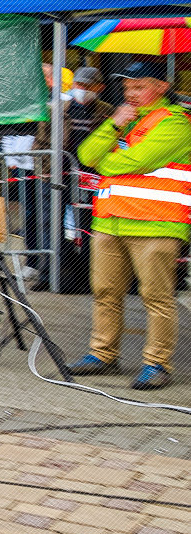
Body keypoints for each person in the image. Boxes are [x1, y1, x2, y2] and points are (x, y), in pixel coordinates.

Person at [67, 59, 190, 390]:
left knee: (156, 297)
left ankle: (157, 363)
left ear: (162, 87)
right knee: (105, 292)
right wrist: (113, 124)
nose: (130, 93)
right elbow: (86, 155)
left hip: (156, 223)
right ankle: (102, 354)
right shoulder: (125, 119)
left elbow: (137, 161)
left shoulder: (176, 122)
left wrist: (106, 162)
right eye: (126, 88)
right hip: (111, 221)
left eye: (139, 87)